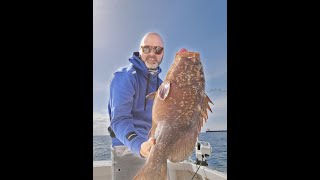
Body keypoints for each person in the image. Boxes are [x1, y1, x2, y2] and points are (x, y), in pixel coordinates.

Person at [107, 32, 164, 180]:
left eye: (157, 49)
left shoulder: (163, 86)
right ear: (140, 51)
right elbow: (119, 120)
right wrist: (139, 145)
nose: (152, 54)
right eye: (147, 49)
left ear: (163, 53)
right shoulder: (124, 76)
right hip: (126, 146)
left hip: (154, 148)